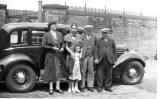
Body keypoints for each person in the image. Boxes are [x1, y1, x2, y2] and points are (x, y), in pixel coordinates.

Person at [42, 21, 68, 95]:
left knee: (58, 71)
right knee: (51, 70)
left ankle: (58, 88)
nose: (55, 26)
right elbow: (43, 45)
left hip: (58, 55)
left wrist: (63, 48)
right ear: (50, 26)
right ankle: (51, 88)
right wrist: (51, 48)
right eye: (53, 25)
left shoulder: (59, 34)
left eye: (55, 25)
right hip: (50, 55)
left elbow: (63, 43)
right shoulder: (46, 35)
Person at [95, 28, 117, 92]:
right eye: (103, 33)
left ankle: (108, 86)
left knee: (109, 74)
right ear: (102, 33)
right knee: (100, 74)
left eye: (106, 33)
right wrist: (96, 58)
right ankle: (99, 86)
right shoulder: (99, 41)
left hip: (109, 59)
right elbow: (96, 50)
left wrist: (115, 60)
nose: (104, 34)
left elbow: (114, 50)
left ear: (108, 33)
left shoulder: (112, 41)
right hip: (100, 59)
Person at [64, 24, 82, 93]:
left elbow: (81, 46)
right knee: (70, 72)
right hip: (70, 56)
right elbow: (66, 46)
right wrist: (72, 53)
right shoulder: (67, 36)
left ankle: (76, 87)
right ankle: (70, 87)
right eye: (73, 28)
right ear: (71, 28)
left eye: (75, 28)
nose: (74, 29)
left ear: (77, 29)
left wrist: (81, 53)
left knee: (77, 72)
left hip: (77, 57)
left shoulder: (79, 36)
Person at [81, 25, 97, 92]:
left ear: (92, 30)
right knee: (83, 71)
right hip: (84, 56)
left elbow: (96, 48)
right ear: (85, 30)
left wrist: (96, 58)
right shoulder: (82, 37)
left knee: (91, 71)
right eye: (87, 29)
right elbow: (79, 46)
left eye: (90, 29)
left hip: (91, 56)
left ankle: (90, 86)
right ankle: (82, 86)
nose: (89, 31)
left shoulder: (94, 37)